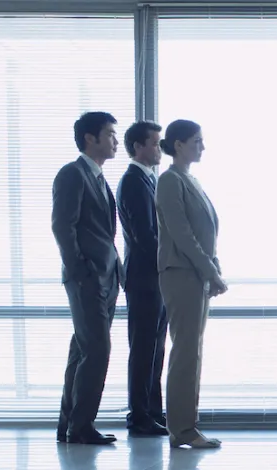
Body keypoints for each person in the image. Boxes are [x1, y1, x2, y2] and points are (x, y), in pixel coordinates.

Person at [51, 111, 123, 445]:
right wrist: (81, 272)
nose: (115, 141)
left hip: (106, 278)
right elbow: (62, 226)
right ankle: (81, 426)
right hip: (88, 278)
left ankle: (70, 425)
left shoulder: (98, 178)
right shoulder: (73, 174)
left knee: (83, 351)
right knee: (96, 350)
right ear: (90, 138)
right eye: (109, 134)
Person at [155, 119, 226, 449]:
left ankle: (186, 425)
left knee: (192, 351)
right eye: (197, 141)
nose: (202, 146)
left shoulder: (190, 180)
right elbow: (181, 233)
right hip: (181, 272)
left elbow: (206, 231)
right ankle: (182, 428)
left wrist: (213, 267)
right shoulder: (170, 180)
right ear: (178, 144)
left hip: (195, 273)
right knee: (186, 352)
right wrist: (210, 270)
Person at [117, 121, 169, 437]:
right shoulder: (134, 181)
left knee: (155, 347)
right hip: (144, 277)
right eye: (154, 143)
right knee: (144, 348)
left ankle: (151, 411)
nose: (159, 148)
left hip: (153, 276)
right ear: (138, 146)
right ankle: (139, 416)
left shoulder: (148, 180)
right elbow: (144, 236)